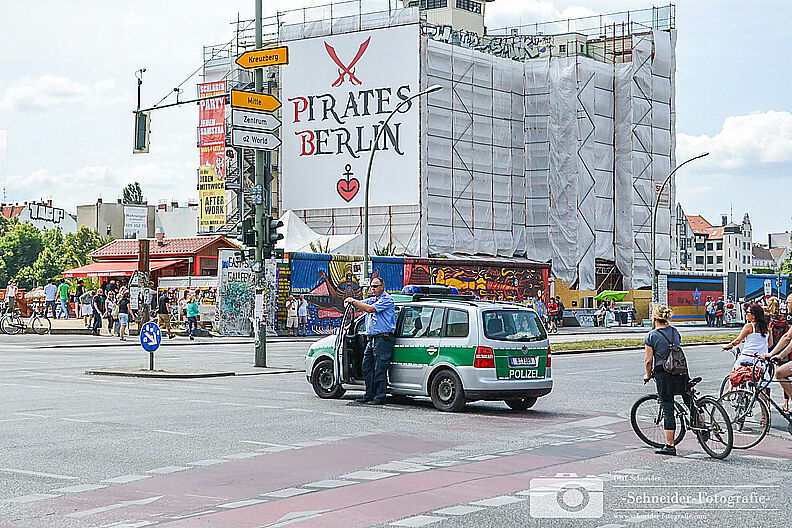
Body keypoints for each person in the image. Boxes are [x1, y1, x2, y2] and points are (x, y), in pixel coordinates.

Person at [643, 304, 690, 456]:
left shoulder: (651, 336)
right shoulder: (675, 332)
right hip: (681, 370)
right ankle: (702, 427)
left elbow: (648, 361)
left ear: (654, 318)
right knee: (689, 400)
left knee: (667, 406)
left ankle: (670, 445)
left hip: (664, 373)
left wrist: (648, 375)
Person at [344, 277, 396, 405]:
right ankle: (369, 394)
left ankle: (380, 397)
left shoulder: (387, 299)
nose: (373, 289)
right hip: (372, 339)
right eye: (371, 286)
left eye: (375, 286)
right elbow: (362, 304)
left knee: (380, 369)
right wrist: (349, 302)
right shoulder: (374, 299)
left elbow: (370, 309)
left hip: (383, 339)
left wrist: (353, 301)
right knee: (367, 367)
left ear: (382, 286)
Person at [761, 294, 792, 410]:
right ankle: (787, 403)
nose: (786, 304)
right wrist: (779, 355)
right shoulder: (784, 319)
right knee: (780, 373)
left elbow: (787, 338)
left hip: (772, 348)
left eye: (788, 302)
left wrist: (772, 353)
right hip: (780, 351)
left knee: (776, 374)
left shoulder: (769, 320)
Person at [722, 304, 769, 368]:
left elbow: (738, 341)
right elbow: (770, 344)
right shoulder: (767, 328)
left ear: (754, 315)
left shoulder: (749, 326)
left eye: (747, 312)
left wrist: (727, 346)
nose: (745, 314)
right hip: (761, 361)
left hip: (748, 357)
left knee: (736, 372)